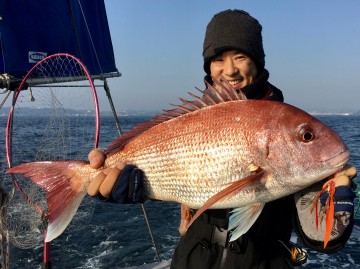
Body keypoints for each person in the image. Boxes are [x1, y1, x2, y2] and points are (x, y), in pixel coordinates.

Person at [87, 9, 357, 269]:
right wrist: (131, 185)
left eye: (240, 56)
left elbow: (322, 239)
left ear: (257, 60)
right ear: (208, 66)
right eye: (218, 59)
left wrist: (338, 206)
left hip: (264, 261)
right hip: (193, 260)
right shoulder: (197, 119)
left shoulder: (284, 123)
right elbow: (175, 178)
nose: (229, 71)